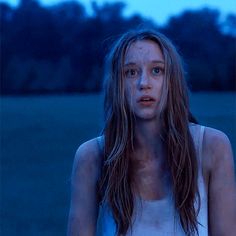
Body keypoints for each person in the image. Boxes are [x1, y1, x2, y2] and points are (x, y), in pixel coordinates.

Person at [67, 29, 236, 236]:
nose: (143, 84)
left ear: (172, 80)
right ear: (117, 84)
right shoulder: (92, 156)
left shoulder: (212, 147)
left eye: (157, 70)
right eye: (131, 72)